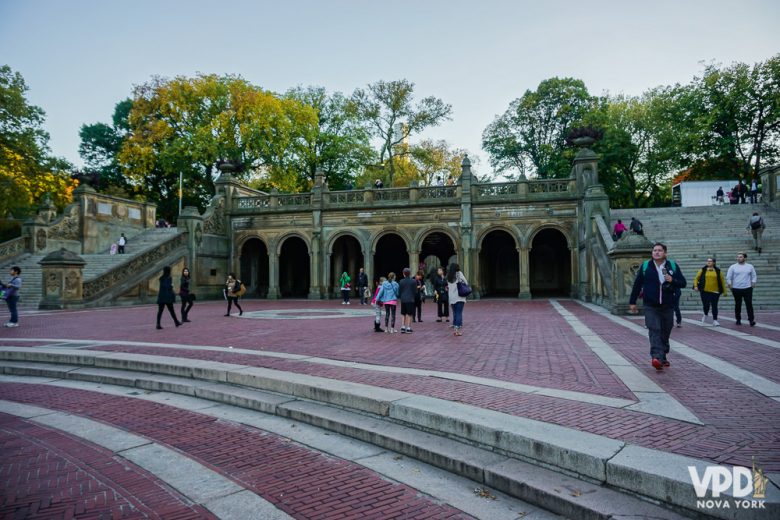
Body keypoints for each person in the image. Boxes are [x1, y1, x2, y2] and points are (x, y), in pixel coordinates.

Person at [629, 243, 687, 370]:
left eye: (660, 250)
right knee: (654, 329)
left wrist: (673, 280)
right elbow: (637, 284)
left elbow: (683, 283)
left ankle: (663, 354)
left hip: (668, 304)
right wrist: (632, 302)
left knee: (666, 331)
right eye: (654, 250)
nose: (656, 252)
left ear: (665, 253)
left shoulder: (672, 266)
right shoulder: (646, 266)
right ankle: (656, 357)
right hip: (650, 305)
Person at [693, 257, 727, 327]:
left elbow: (722, 281)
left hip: (715, 291)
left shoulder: (718, 271)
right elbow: (696, 278)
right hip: (705, 291)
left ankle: (715, 320)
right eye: (708, 261)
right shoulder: (702, 270)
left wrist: (725, 291)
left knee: (714, 306)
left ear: (714, 263)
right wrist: (695, 286)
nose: (708, 262)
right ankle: (705, 314)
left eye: (710, 261)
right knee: (706, 305)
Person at [726, 252, 757, 326]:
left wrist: (753, 282)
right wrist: (730, 284)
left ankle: (751, 320)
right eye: (738, 257)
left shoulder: (750, 266)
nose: (738, 258)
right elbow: (728, 276)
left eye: (740, 257)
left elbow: (754, 275)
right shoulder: (733, 267)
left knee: (749, 304)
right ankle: (738, 319)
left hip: (747, 288)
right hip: (736, 288)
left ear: (745, 258)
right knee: (738, 304)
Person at [446, 263, 468, 336]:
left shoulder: (449, 275)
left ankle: (455, 326)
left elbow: (448, 286)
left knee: (455, 313)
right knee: (459, 313)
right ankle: (457, 330)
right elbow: (466, 282)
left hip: (451, 297)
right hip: (459, 296)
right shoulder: (459, 273)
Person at [398, 268, 417, 333]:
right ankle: (408, 328)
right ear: (410, 274)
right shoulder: (413, 281)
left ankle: (403, 327)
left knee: (403, 313)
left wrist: (401, 296)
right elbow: (415, 291)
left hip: (403, 299)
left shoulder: (401, 281)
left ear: (403, 274)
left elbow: (399, 291)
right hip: (410, 299)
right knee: (409, 314)